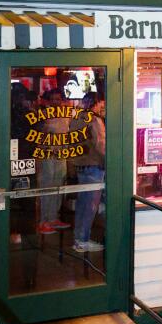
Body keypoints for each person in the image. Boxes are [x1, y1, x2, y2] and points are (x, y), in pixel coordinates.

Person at [71, 93, 105, 254]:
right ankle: (83, 241)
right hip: (93, 165)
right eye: (101, 104)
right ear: (96, 103)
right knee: (90, 206)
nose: (102, 107)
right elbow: (100, 145)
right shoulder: (94, 120)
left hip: (80, 166)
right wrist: (109, 162)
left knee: (82, 204)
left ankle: (78, 239)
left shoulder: (77, 118)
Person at [36, 89, 71, 234]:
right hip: (47, 154)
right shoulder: (43, 116)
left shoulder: (65, 116)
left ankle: (53, 218)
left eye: (59, 99)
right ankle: (43, 221)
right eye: (53, 99)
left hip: (61, 155)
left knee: (58, 186)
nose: (56, 101)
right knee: (47, 186)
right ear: (48, 101)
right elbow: (37, 137)